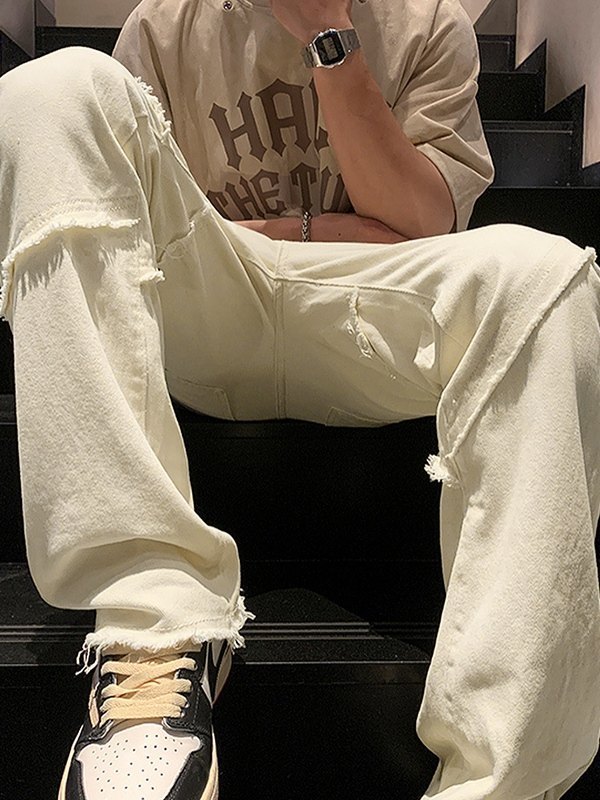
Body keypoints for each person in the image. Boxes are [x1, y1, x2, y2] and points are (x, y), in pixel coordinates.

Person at [0, 0, 598, 797]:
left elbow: (424, 223)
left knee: (549, 276)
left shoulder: (429, 23)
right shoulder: (163, 27)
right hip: (210, 304)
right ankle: (151, 634)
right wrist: (335, 228)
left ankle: (505, 778)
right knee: (48, 88)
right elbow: (139, 234)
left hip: (365, 313)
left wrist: (326, 32)